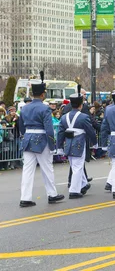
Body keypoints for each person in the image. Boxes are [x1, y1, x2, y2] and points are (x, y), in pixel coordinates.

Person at [18, 71, 64, 207]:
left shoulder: (25, 108)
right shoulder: (45, 109)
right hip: (42, 139)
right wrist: (52, 145)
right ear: (43, 94)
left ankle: (25, 198)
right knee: (47, 168)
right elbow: (49, 129)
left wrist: (24, 135)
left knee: (27, 169)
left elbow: (20, 125)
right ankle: (52, 194)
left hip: (28, 138)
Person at [57, 85, 96, 199]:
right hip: (79, 142)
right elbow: (90, 131)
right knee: (78, 166)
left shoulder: (64, 117)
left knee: (74, 165)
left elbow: (60, 133)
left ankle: (84, 184)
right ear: (80, 104)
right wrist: (94, 142)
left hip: (68, 143)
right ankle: (74, 191)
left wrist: (59, 146)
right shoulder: (83, 117)